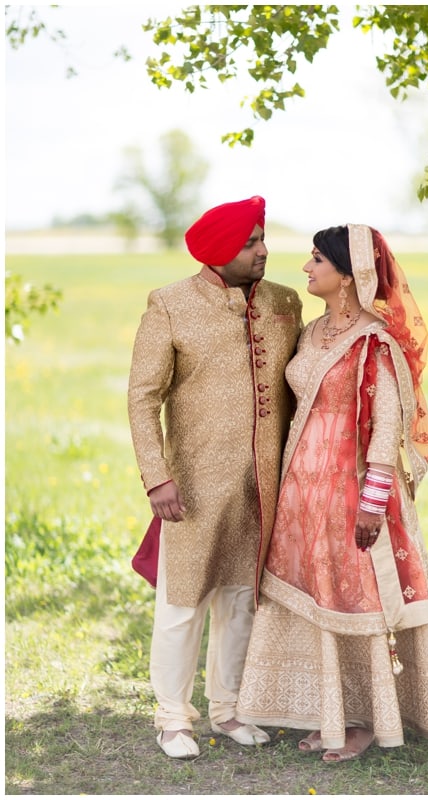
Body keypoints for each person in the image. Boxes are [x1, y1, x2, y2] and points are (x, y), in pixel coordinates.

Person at [235, 224, 428, 762]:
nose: (305, 268)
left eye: (317, 260)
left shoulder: (374, 343)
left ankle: (364, 722)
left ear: (348, 273)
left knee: (354, 601)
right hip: (302, 493)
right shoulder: (312, 332)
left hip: (350, 493)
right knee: (316, 603)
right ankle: (328, 714)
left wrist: (373, 503)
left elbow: (386, 427)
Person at [128, 195, 303, 759]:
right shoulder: (171, 305)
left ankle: (229, 710)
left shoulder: (284, 302)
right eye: (251, 243)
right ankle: (173, 718)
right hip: (194, 487)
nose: (263, 250)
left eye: (262, 238)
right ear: (222, 250)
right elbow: (141, 398)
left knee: (242, 599)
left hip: (265, 484)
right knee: (183, 602)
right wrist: (157, 477)